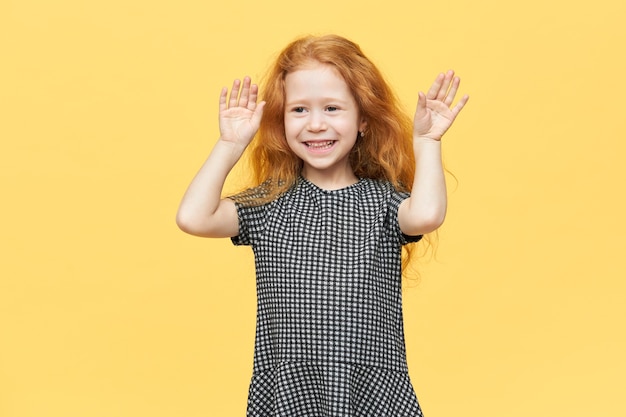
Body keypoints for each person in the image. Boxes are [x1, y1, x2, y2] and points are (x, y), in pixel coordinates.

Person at [177, 34, 468, 416]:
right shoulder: (270, 203)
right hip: (290, 390)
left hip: (371, 391)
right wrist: (230, 144)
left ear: (362, 119)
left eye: (332, 108)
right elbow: (193, 217)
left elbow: (427, 214)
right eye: (299, 110)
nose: (315, 124)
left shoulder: (382, 203)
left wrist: (427, 141)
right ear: (281, 122)